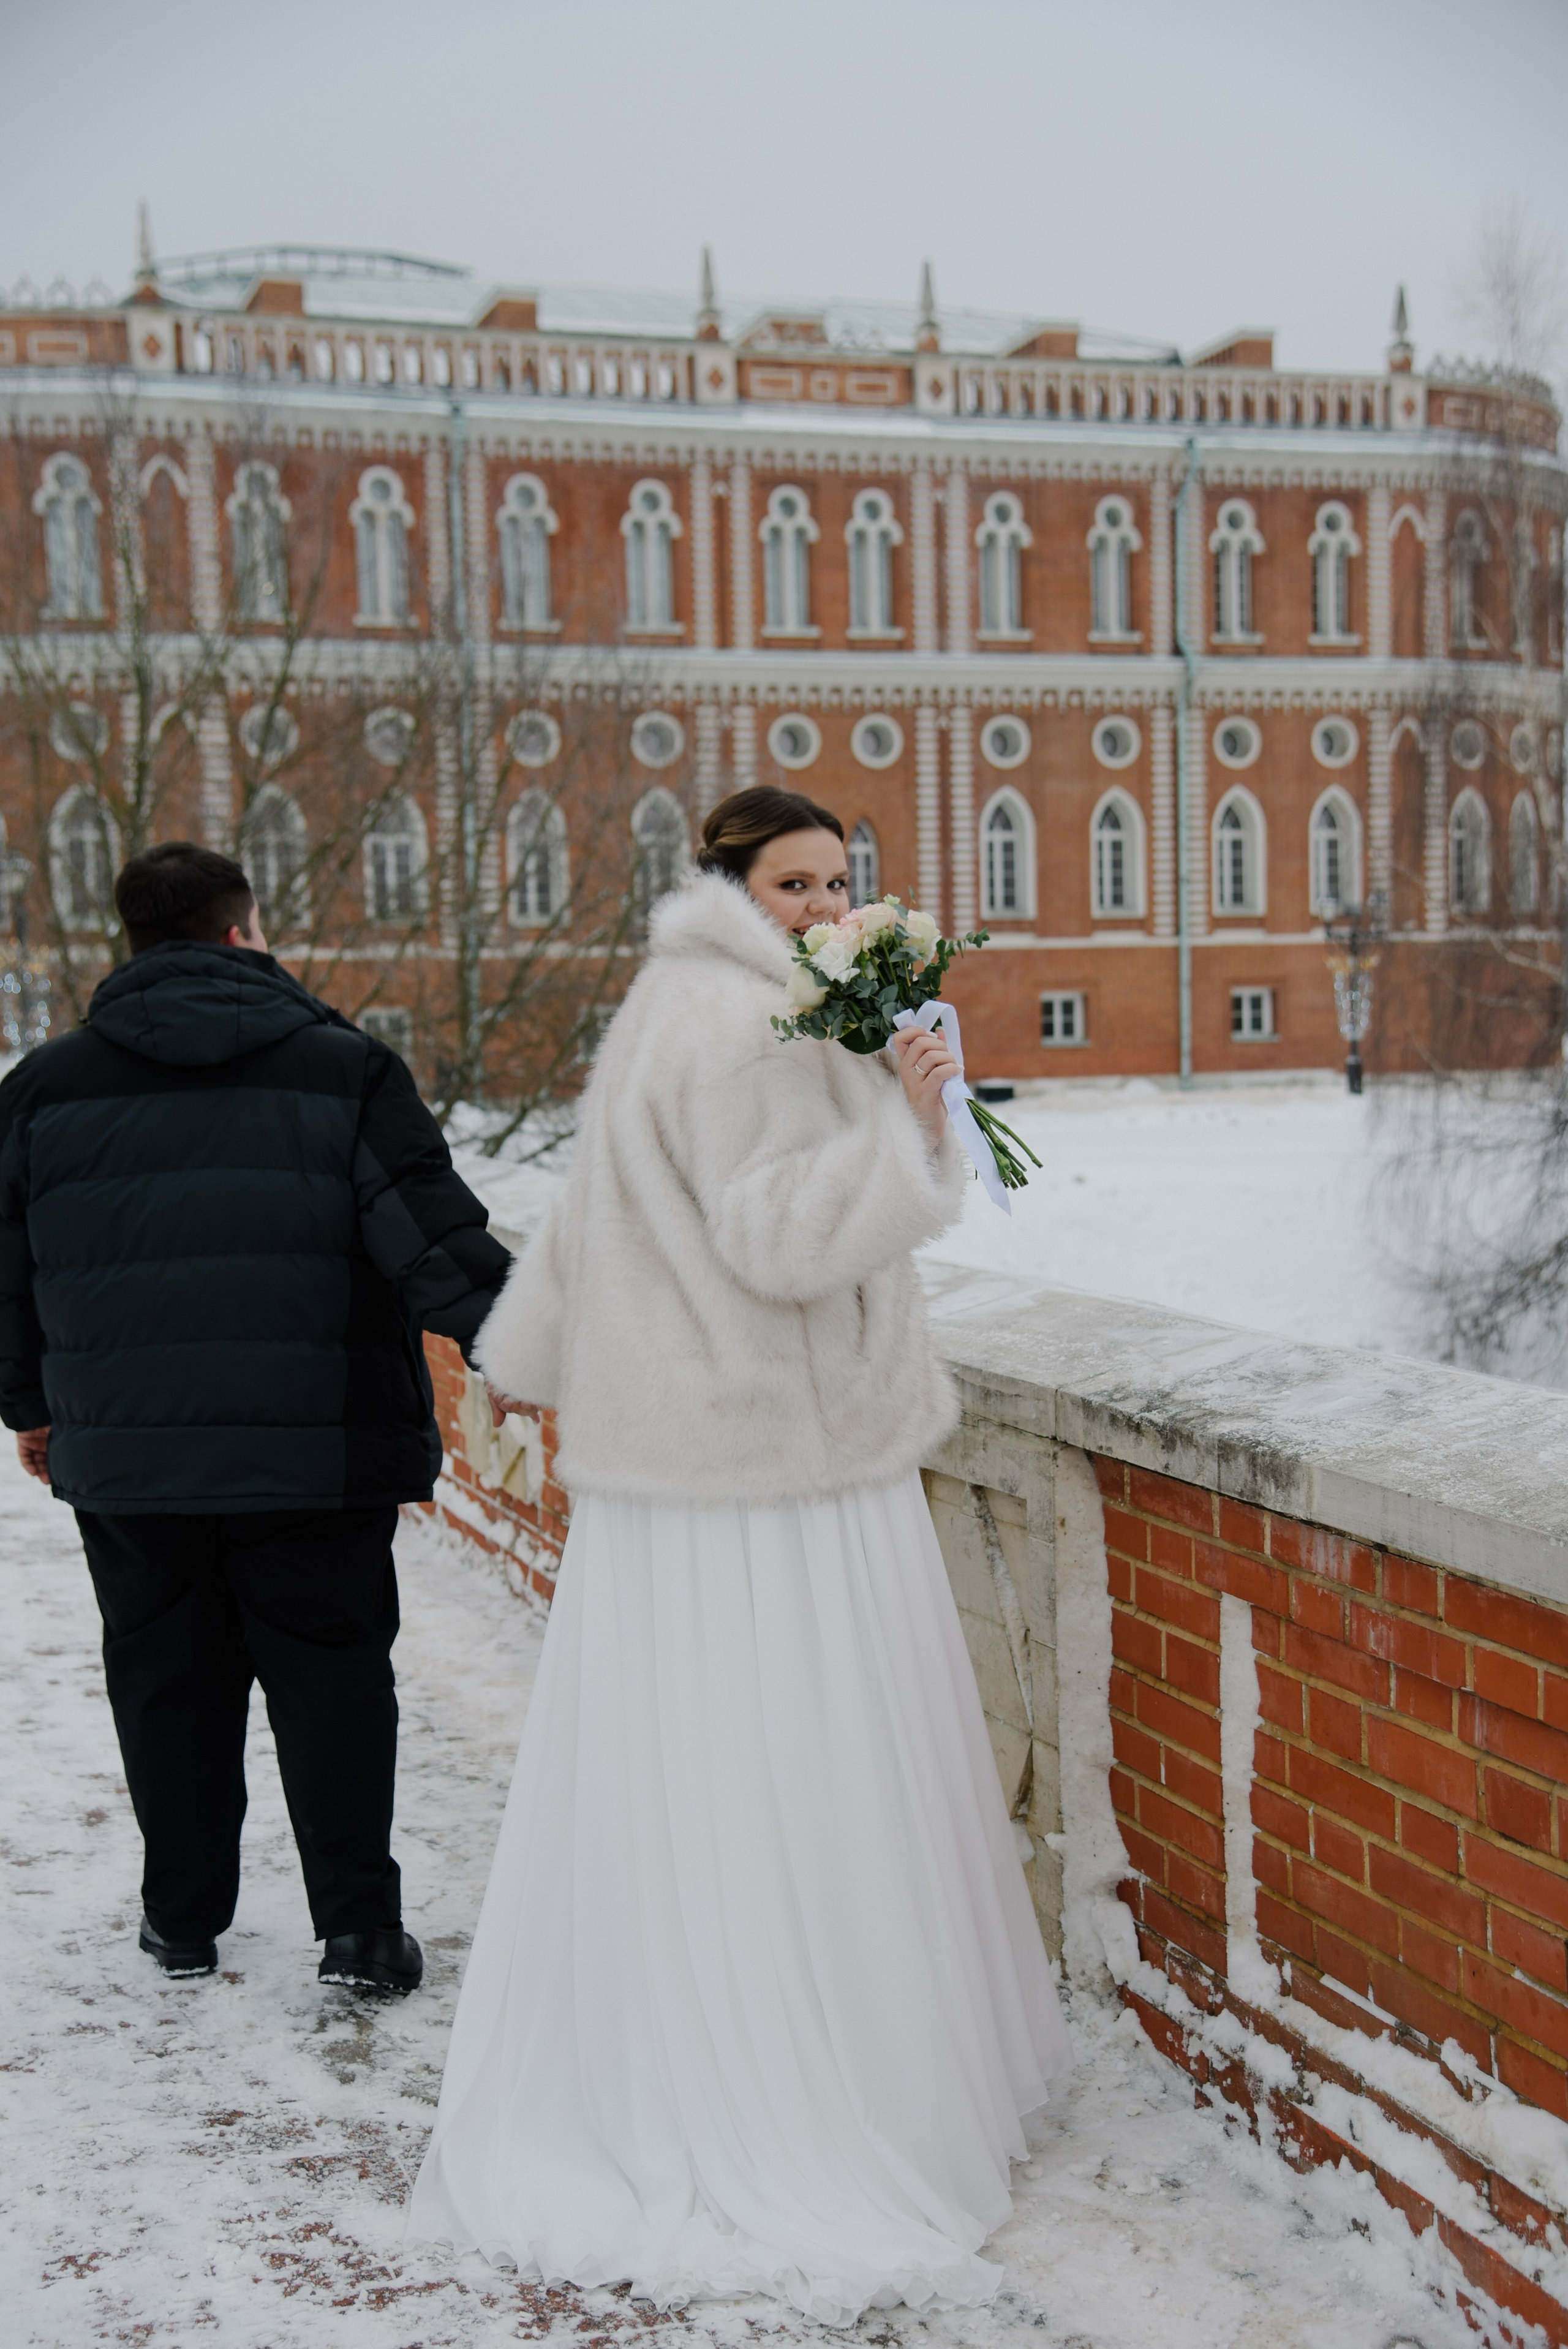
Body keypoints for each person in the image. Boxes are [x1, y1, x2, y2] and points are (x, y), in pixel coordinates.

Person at [407, 786, 1071, 2322]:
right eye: (794, 884)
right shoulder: (746, 1024)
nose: (825, 907)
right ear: (731, 885)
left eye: (838, 882)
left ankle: (679, 2060)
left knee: (688, 1768)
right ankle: (798, 2093)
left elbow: (596, 1225)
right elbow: (777, 1236)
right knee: (798, 1760)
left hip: (684, 1458)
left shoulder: (679, 998)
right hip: (769, 1465)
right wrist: (909, 1120)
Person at [0, 842, 510, 1993]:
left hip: (130, 1452)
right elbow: (434, 1247)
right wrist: (547, 1344)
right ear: (243, 931)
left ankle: (181, 1919)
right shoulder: (347, 1069)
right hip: (319, 1449)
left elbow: (9, 1269)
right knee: (334, 1679)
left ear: (134, 940)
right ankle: (361, 1932)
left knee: (164, 1679)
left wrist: (30, 1405)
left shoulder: (42, 1086)